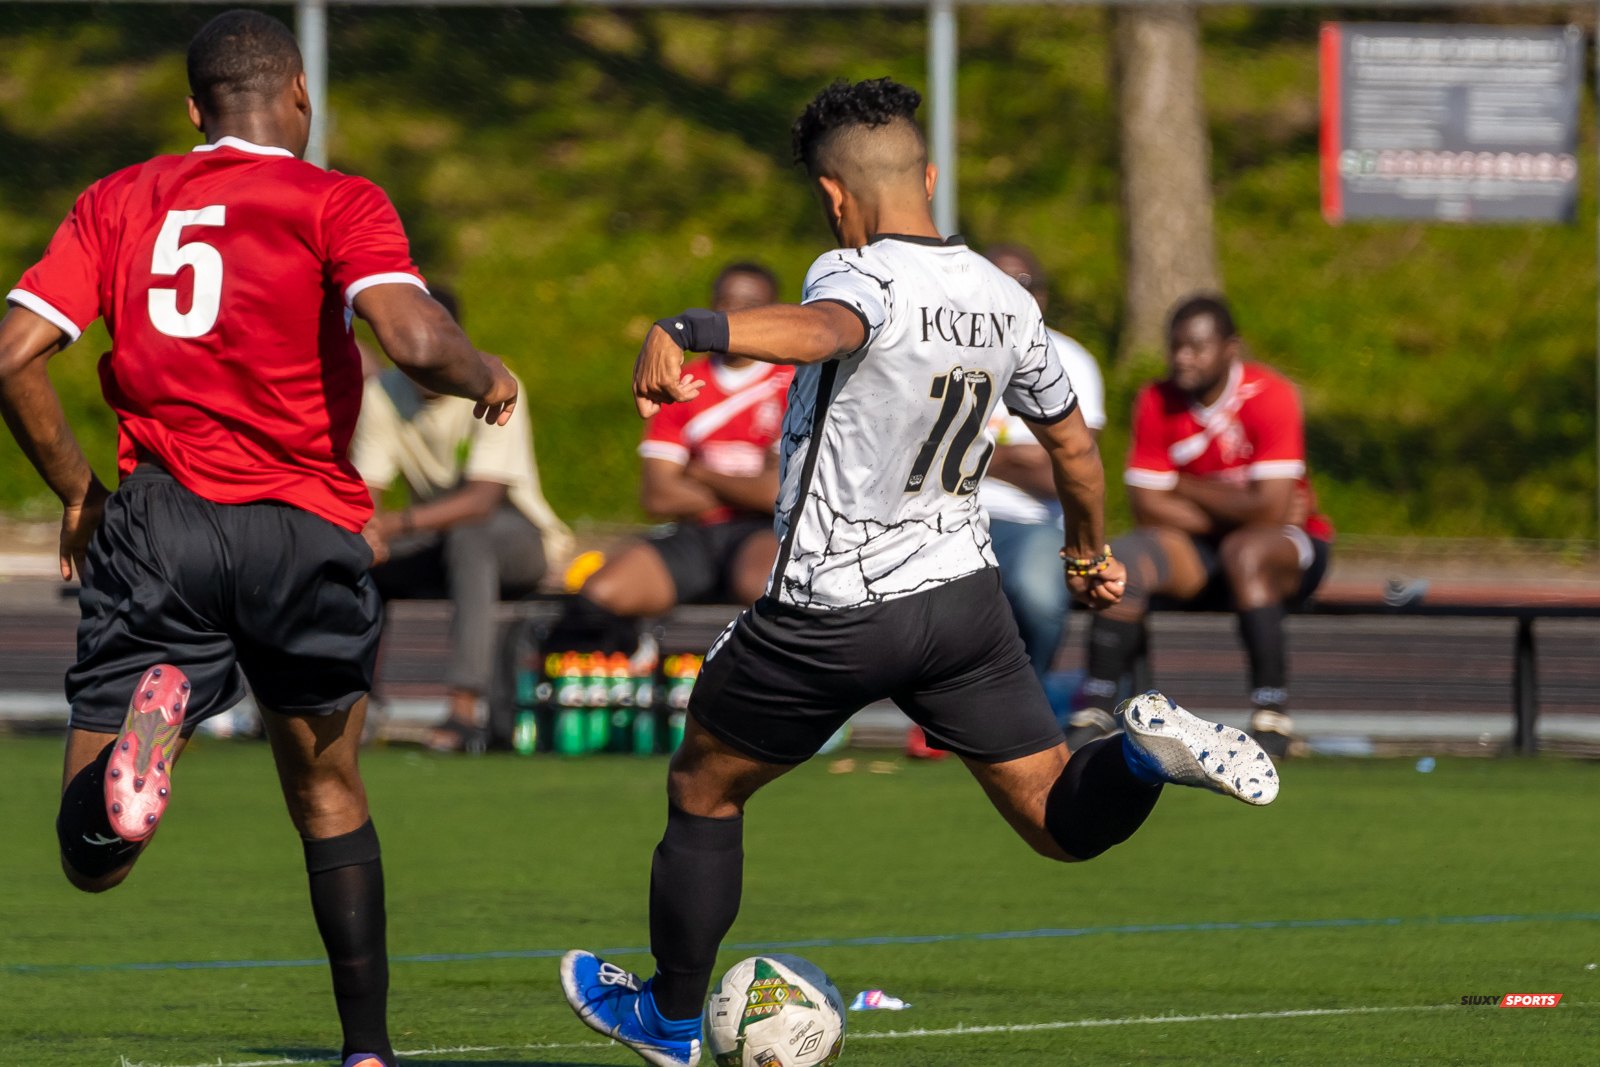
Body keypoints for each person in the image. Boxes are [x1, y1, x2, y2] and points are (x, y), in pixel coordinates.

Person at [557, 77, 1280, 1067]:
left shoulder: (855, 274)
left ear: (833, 195)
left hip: (831, 609)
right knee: (1057, 818)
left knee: (705, 788)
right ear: (928, 175)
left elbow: (825, 331)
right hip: (960, 604)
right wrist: (1088, 552)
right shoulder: (1007, 299)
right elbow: (1072, 446)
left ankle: (671, 1018)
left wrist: (692, 330)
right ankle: (1139, 755)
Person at [0, 12, 516, 1067]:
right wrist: (487, 373)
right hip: (306, 529)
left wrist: (78, 492)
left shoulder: (118, 199)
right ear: (299, 98)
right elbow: (415, 341)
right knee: (328, 790)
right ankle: (366, 1048)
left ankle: (137, 777)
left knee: (90, 861)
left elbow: (13, 356)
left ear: (194, 110)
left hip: (161, 526)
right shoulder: (337, 199)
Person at [1070, 295, 1334, 757]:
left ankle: (1272, 715)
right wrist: (1238, 503)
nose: (1182, 358)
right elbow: (1147, 507)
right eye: (1175, 347)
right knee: (1126, 557)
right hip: (1203, 549)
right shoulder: (1155, 399)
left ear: (1231, 348)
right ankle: (1097, 707)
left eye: (1196, 347)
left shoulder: (1271, 395)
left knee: (1247, 551)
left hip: (1285, 546)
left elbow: (1272, 514)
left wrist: (1184, 486)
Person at [352, 285, 573, 753]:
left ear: (454, 340)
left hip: (518, 541)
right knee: (352, 554)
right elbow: (367, 494)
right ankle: (351, 706)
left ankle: (464, 705)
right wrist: (368, 535)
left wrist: (392, 526)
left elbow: (482, 501)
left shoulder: (494, 383)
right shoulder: (381, 393)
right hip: (434, 539)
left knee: (469, 534)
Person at [551, 264, 791, 650]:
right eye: (726, 303)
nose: (735, 313)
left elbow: (778, 495)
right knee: (600, 593)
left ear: (773, 311)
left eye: (750, 305)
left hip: (764, 531)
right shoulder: (681, 382)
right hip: (695, 531)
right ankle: (634, 668)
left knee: (762, 590)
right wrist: (745, 487)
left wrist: (699, 473)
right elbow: (658, 496)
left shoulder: (793, 383)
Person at [980, 243, 1106, 679]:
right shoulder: (937, 354)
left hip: (1032, 522)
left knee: (1037, 591)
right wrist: (1021, 460)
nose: (1011, 294)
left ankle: (1025, 701)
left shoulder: (1071, 361)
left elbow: (1066, 476)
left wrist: (974, 456)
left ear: (1044, 297)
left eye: (1023, 284)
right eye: (996, 282)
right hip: (942, 517)